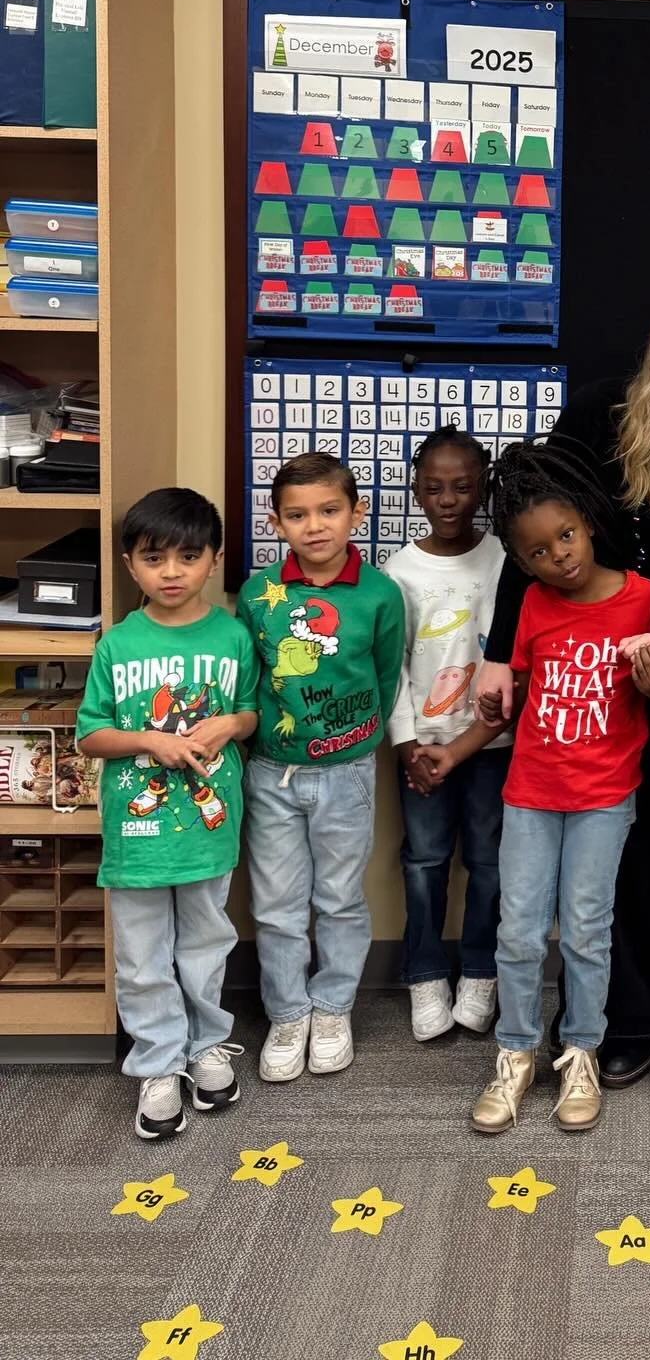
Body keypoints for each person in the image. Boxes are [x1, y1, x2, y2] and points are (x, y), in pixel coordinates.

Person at [477, 276, 650, 1088]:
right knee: (623, 860)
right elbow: (531, 521)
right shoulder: (600, 411)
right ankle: (624, 1026)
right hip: (592, 664)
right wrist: (502, 648)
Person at [469, 442, 650, 1135]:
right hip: (530, 789)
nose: (559, 556)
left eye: (566, 537)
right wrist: (496, 704)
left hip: (605, 796)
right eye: (539, 552)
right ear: (521, 564)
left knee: (587, 931)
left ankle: (580, 1049)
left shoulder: (646, 598)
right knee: (519, 931)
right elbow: (522, 684)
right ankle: (517, 1052)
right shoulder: (529, 603)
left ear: (587, 522)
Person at [75, 489, 258, 1140]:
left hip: (209, 828)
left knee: (207, 945)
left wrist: (233, 721)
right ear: (131, 565)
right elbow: (90, 734)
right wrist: (152, 740)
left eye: (189, 555)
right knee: (144, 958)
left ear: (214, 560)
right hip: (137, 833)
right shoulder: (117, 646)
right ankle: (157, 1064)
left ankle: (206, 1047)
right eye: (155, 558)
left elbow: (252, 715)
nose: (172, 571)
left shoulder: (234, 635)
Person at [238, 451, 407, 1084]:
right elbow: (249, 680)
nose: (315, 526)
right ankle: (288, 1013)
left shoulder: (380, 594)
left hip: (347, 773)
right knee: (278, 905)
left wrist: (355, 739)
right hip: (271, 775)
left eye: (330, 510)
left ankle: (333, 1007)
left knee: (338, 900)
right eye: (297, 515)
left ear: (356, 513)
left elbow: (387, 676)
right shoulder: (259, 593)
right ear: (277, 523)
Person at [383, 426, 506, 1045]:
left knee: (488, 862)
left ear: (482, 489)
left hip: (491, 745)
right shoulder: (398, 572)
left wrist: (474, 740)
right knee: (425, 860)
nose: (449, 500)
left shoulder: (507, 560)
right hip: (423, 748)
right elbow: (393, 668)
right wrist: (408, 746)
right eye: (435, 488)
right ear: (416, 493)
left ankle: (481, 971)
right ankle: (426, 972)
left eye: (462, 487)